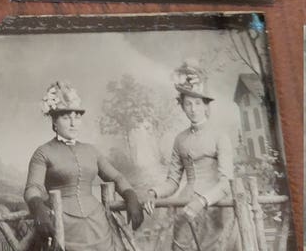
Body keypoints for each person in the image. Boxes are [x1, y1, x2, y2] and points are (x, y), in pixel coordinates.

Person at [24, 82, 144, 250]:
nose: (73, 123)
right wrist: (37, 208)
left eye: (77, 117)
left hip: (98, 223)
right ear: (54, 121)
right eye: (66, 118)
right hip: (62, 224)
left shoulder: (91, 150)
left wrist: (131, 197)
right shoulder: (43, 152)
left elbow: (116, 177)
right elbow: (32, 187)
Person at [143, 61, 239, 250]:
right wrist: (153, 191)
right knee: (180, 244)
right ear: (182, 107)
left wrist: (202, 201)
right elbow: (172, 181)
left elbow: (226, 181)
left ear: (205, 106)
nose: (193, 109)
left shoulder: (220, 135)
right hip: (186, 203)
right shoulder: (180, 139)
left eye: (197, 103)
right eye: (188, 104)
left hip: (216, 204)